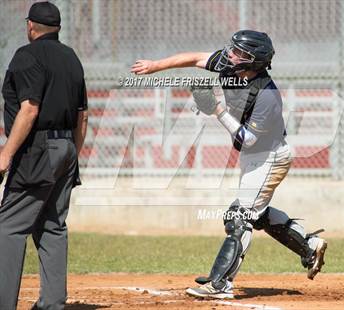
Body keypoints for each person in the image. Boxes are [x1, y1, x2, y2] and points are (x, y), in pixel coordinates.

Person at [131, 29, 327, 300]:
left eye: (238, 53)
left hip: (269, 157)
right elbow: (195, 58)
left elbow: (247, 139)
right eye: (232, 49)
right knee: (254, 214)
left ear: (253, 60)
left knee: (239, 217)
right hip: (254, 157)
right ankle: (309, 246)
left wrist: (217, 109)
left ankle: (221, 284)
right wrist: (156, 66)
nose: (229, 55)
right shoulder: (228, 64)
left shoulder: (267, 95)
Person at [0, 2, 88, 309]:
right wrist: (71, 155)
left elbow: (30, 108)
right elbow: (83, 116)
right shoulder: (71, 58)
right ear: (58, 28)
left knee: (8, 228)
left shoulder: (27, 55)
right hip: (66, 147)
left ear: (30, 26)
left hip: (38, 150)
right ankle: (52, 303)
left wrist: (5, 154)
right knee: (52, 226)